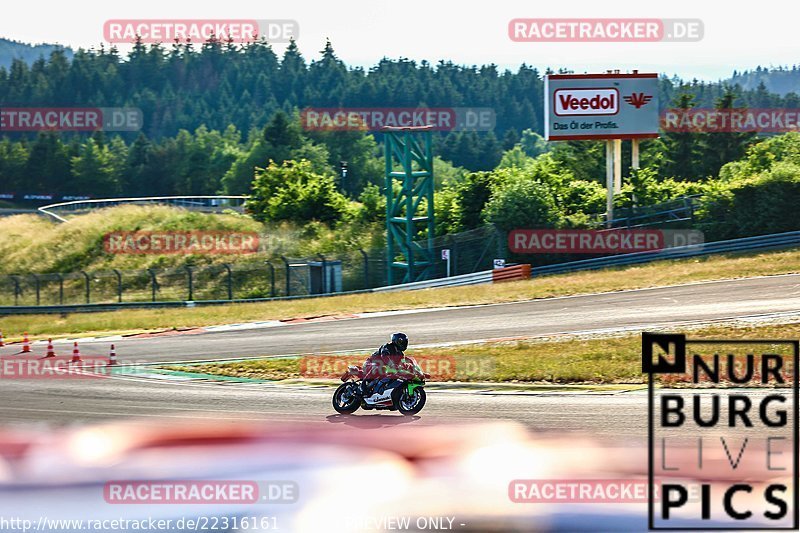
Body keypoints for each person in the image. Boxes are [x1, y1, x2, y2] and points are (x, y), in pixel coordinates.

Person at [361, 332, 415, 397]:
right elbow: (385, 356)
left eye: (405, 342)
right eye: (402, 342)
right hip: (371, 363)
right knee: (380, 367)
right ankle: (363, 384)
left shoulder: (400, 354)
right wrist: (392, 365)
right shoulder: (387, 347)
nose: (404, 344)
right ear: (396, 341)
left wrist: (410, 368)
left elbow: (402, 364)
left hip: (385, 368)